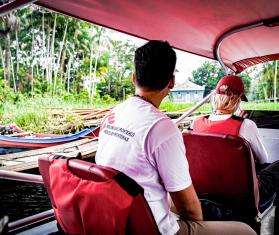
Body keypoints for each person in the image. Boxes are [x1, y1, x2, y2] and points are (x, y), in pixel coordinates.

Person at [96, 40, 256, 235]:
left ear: (133, 77)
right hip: (150, 228)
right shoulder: (163, 128)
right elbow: (189, 210)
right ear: (171, 82)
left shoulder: (113, 114)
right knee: (246, 231)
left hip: (115, 216)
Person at [192, 75, 279, 208]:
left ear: (215, 96)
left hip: (205, 189)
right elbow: (263, 159)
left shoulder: (196, 122)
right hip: (242, 195)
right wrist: (239, 121)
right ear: (237, 99)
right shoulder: (246, 125)